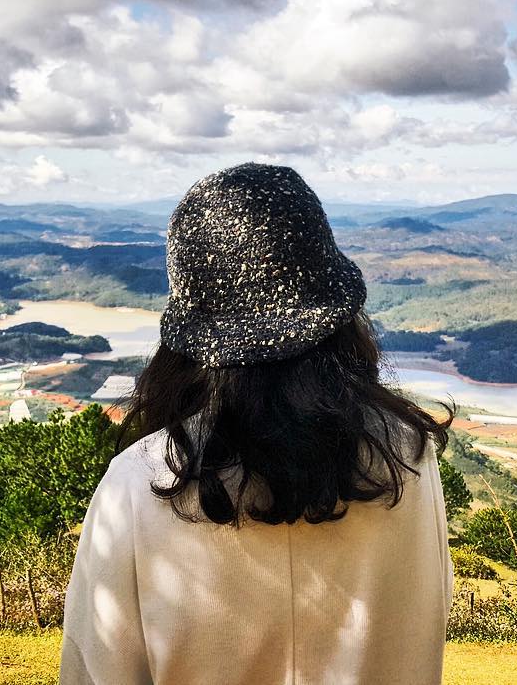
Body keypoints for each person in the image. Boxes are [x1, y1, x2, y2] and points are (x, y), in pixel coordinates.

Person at [59, 163, 454, 685]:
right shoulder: (407, 457)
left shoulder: (141, 483)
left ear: (192, 339)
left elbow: (94, 667)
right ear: (338, 318)